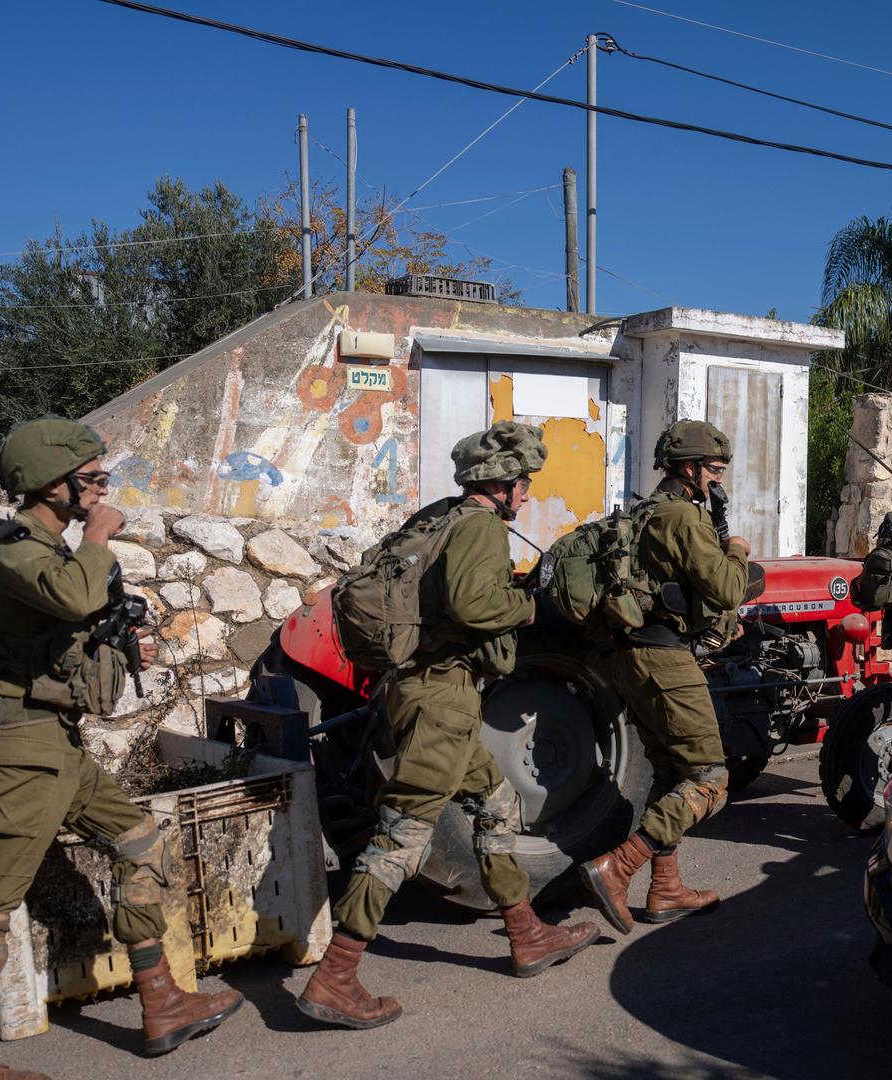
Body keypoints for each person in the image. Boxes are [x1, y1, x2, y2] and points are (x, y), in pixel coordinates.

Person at [0, 418, 244, 1080]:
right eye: (91, 479)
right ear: (49, 484)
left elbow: (56, 628)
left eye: (101, 478)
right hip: (20, 748)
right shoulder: (15, 550)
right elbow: (71, 592)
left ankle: (161, 1000)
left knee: (138, 841)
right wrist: (98, 538)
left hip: (53, 741)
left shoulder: (41, 548)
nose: (102, 490)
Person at [297, 421, 596, 1031]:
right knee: (402, 835)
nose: (528, 493)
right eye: (526, 483)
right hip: (442, 699)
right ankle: (336, 974)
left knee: (495, 803)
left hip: (421, 691)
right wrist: (532, 605)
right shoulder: (481, 528)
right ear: (507, 483)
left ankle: (525, 931)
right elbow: (474, 605)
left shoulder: (436, 518)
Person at [577, 420, 749, 934]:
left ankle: (667, 887)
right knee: (711, 780)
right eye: (714, 471)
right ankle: (620, 866)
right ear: (690, 469)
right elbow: (726, 591)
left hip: (628, 658)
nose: (717, 481)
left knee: (673, 775)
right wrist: (736, 547)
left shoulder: (639, 513)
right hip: (665, 660)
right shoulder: (682, 518)